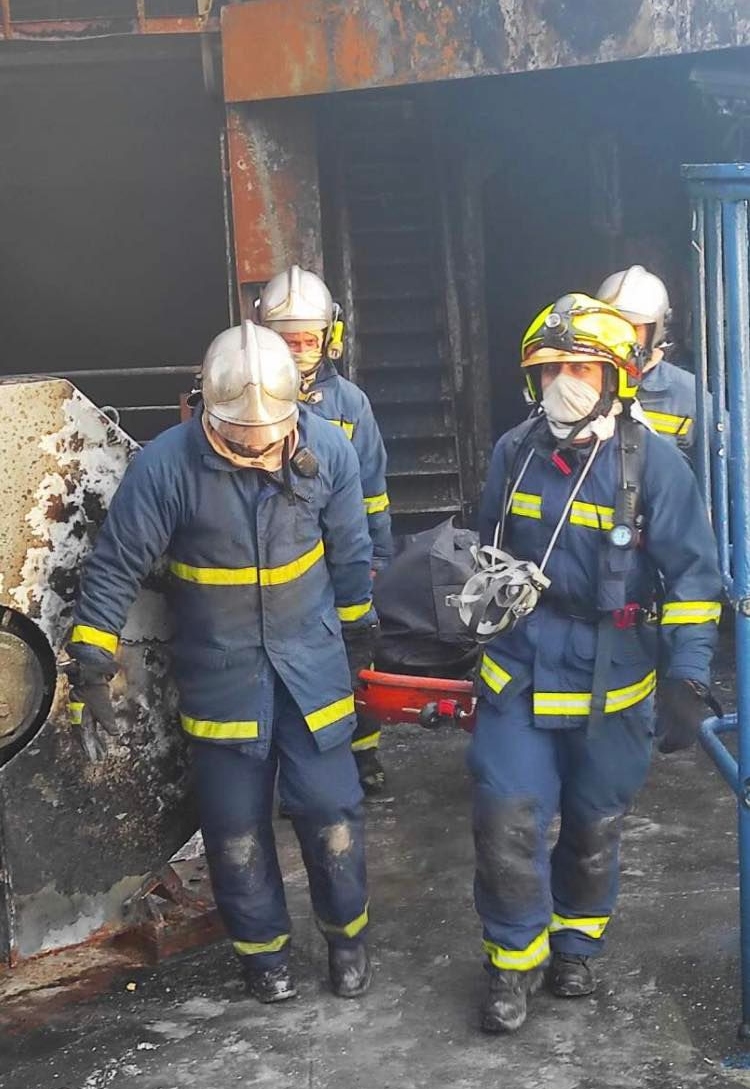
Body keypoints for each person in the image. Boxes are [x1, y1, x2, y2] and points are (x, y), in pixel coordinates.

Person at [65, 322, 379, 1004]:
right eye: (242, 436)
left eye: (270, 434)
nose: (258, 446)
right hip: (222, 678)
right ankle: (264, 959)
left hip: (312, 670)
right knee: (235, 832)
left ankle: (346, 940)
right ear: (211, 412)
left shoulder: (328, 451)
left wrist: (361, 634)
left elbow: (351, 554)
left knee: (332, 814)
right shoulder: (166, 468)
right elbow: (116, 563)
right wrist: (91, 657)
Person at [463, 293, 721, 1033]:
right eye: (549, 369)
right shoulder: (513, 454)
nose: (563, 382)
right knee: (506, 816)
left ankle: (575, 943)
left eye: (580, 366)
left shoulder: (656, 466)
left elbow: (697, 581)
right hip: (519, 670)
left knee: (594, 825)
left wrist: (688, 674)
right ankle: (512, 965)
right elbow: (488, 550)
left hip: (614, 682)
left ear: (615, 377)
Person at [258, 266, 393, 794]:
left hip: (344, 555)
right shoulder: (246, 404)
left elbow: (373, 491)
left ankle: (364, 755)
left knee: (355, 656)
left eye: (307, 339)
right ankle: (296, 775)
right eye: (285, 340)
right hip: (284, 563)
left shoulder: (350, 404)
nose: (298, 350)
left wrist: (377, 556)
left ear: (330, 337)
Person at [596, 266, 699, 451]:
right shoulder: (581, 382)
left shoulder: (689, 396)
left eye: (633, 327)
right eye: (612, 325)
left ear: (658, 329)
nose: (620, 336)